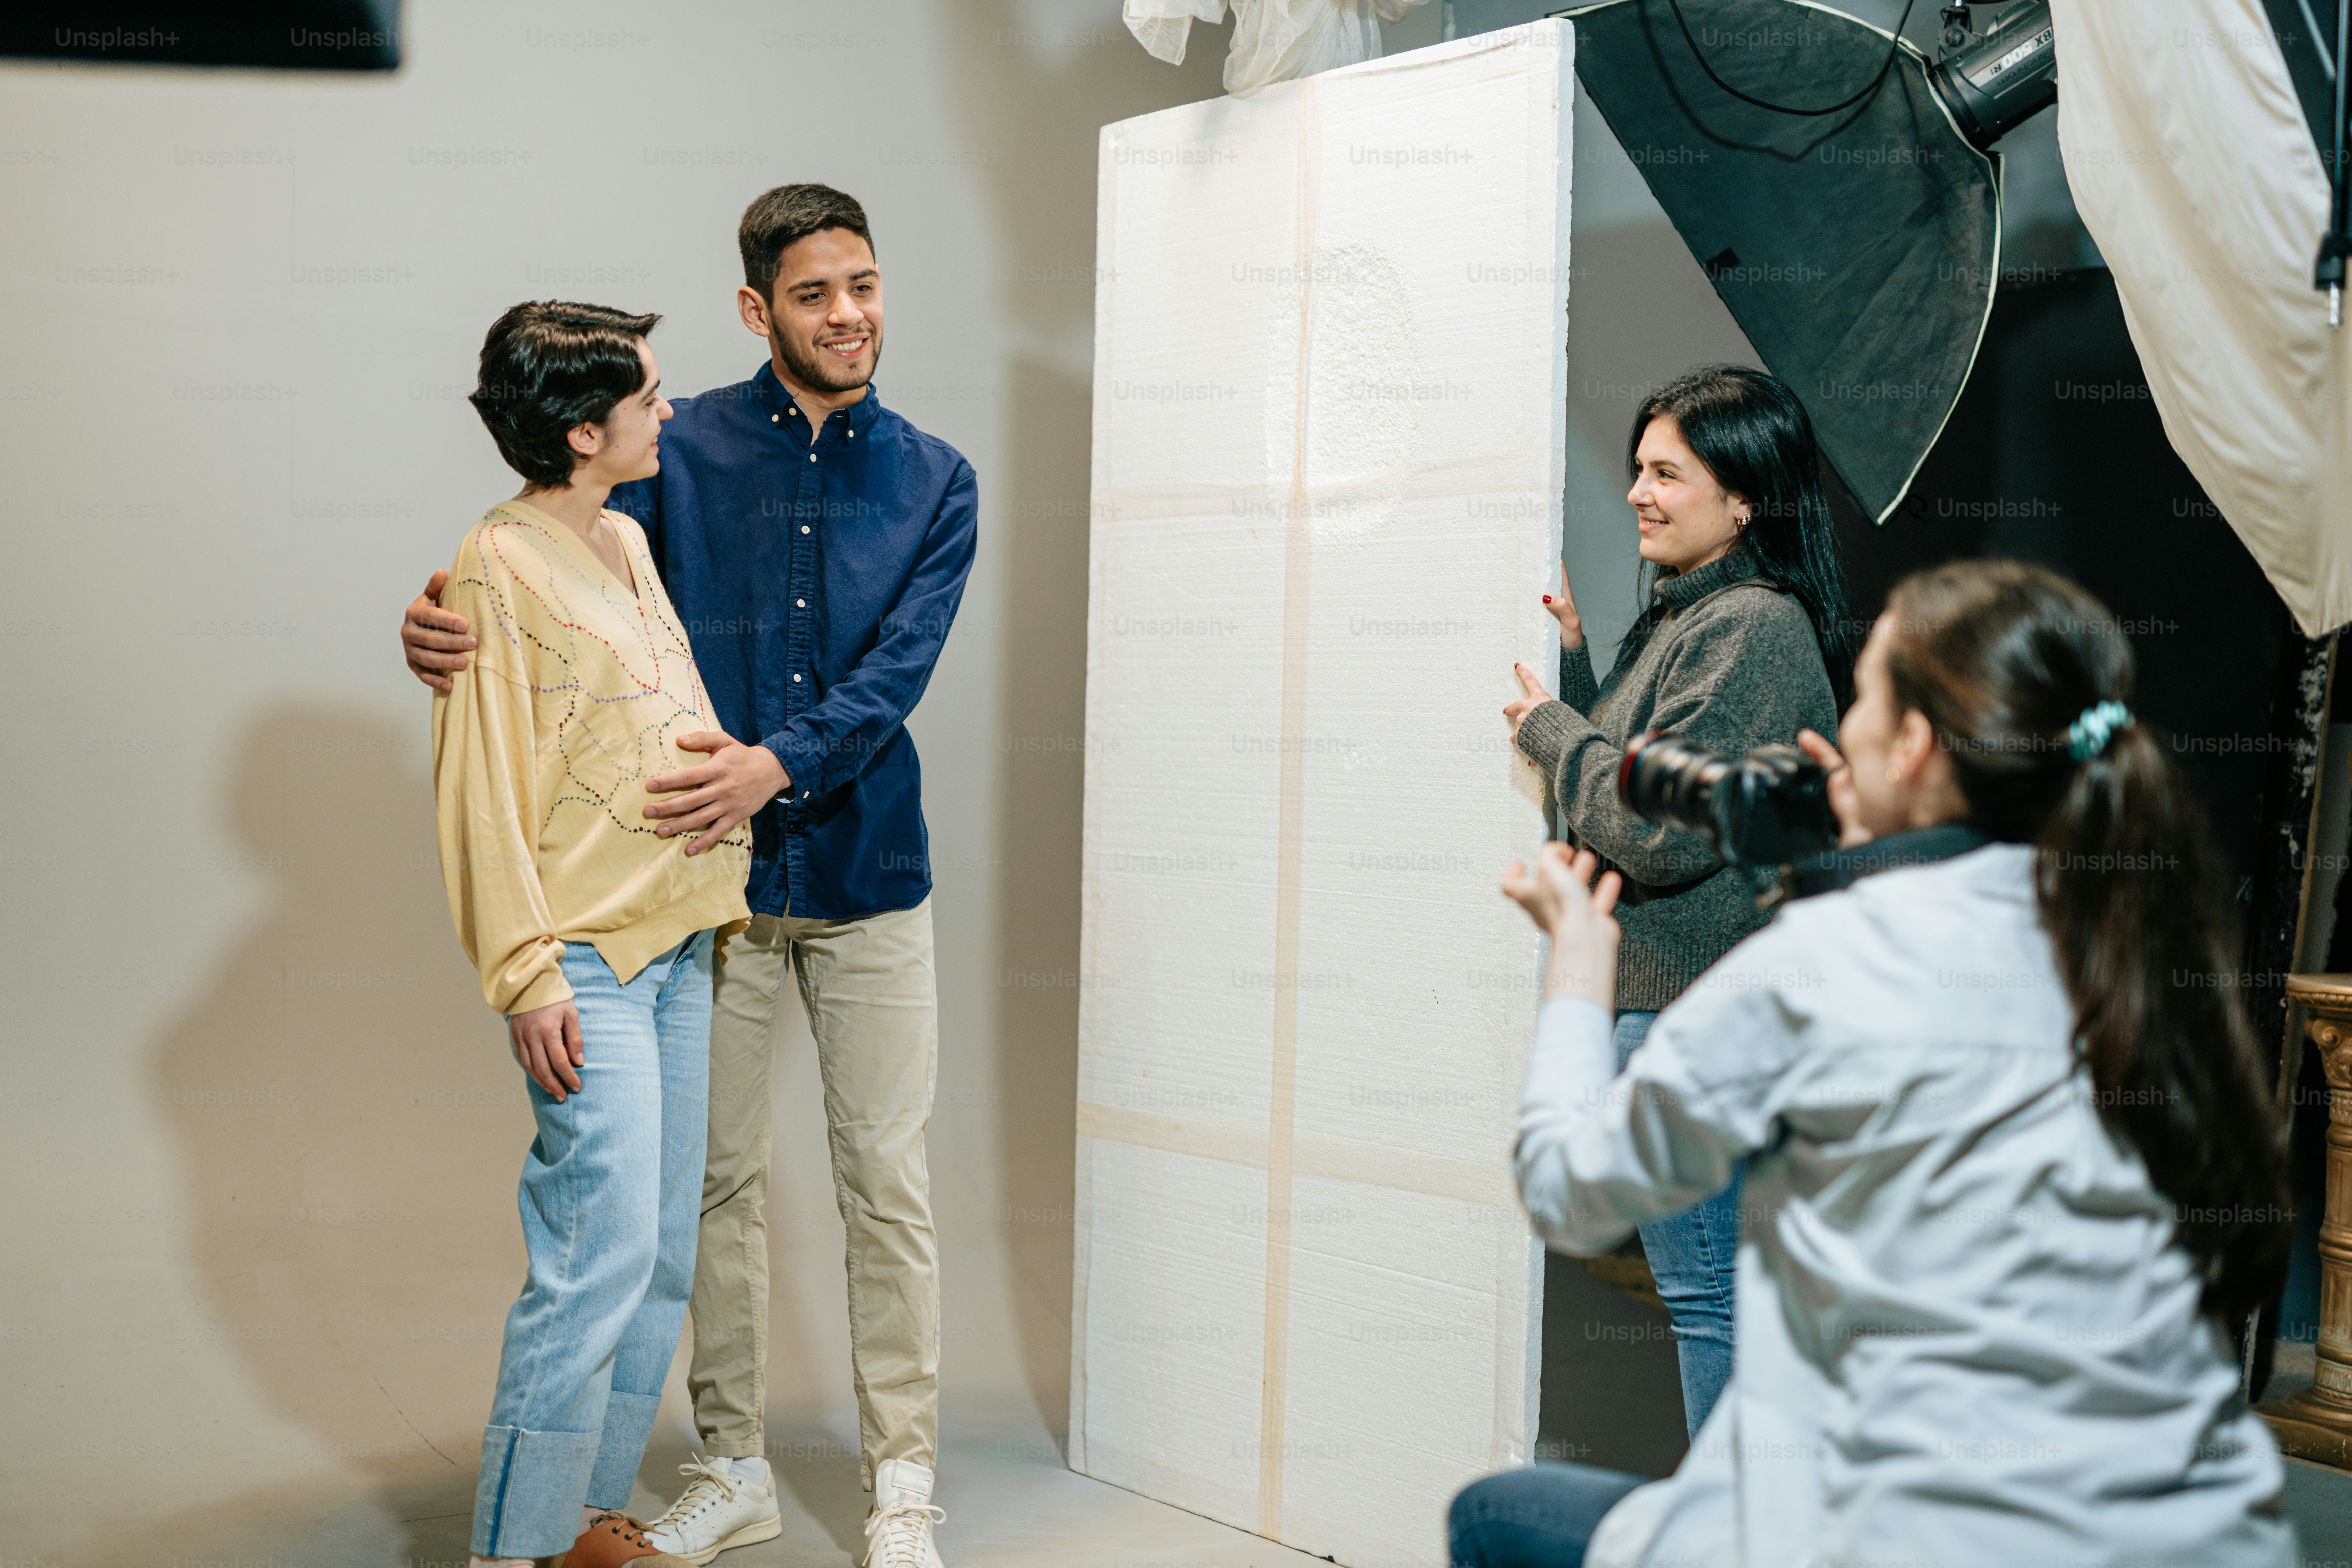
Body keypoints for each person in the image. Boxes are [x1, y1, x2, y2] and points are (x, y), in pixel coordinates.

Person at [1455, 558, 2295, 1567]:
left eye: (1865, 698)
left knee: (1499, 1516)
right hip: (2200, 1540)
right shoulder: (2131, 945)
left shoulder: (1824, 965)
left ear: (1912, 745)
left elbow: (1571, 1196)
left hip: (1910, 1537)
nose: (1836, 727)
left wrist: (1582, 969)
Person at [403, 185, 976, 1568]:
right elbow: (539, 541)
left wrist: (776, 765)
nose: (848, 315)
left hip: (862, 872)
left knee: (882, 1183)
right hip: (682, 909)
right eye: (814, 293)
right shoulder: (678, 447)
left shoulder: (938, 479)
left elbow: (895, 674)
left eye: (865, 285)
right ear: (757, 308)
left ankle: (901, 1478)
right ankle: (726, 1464)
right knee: (697, 1202)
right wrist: (436, 617)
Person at [435, 301, 753, 1568]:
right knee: (594, 1258)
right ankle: (511, 1548)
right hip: (587, 960)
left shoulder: (623, 534)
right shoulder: (494, 567)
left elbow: (646, 703)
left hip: (680, 943)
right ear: (583, 429)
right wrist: (526, 974)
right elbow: (482, 787)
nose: (668, 410)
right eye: (650, 398)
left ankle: (585, 1518)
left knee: (662, 1255)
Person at [1502, 364, 1851, 1434]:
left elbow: (1655, 829)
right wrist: (1574, 665)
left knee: (1715, 1304)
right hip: (1673, 1012)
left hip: (1688, 1014)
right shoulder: (1692, 617)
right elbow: (1657, 760)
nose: (1639, 493)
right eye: (1638, 470)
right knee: (1721, 1298)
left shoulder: (1751, 626)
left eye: (1667, 473)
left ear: (1743, 497)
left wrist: (1553, 732)